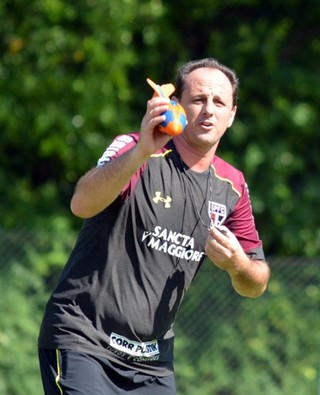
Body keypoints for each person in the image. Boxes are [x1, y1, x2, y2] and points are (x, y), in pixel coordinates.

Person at [38, 58, 270, 395]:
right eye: (198, 99)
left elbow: (257, 282)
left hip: (152, 363)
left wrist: (238, 265)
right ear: (176, 107)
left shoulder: (232, 186)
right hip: (82, 340)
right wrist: (142, 152)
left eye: (219, 102)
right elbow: (81, 204)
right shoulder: (136, 149)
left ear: (232, 115)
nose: (208, 110)